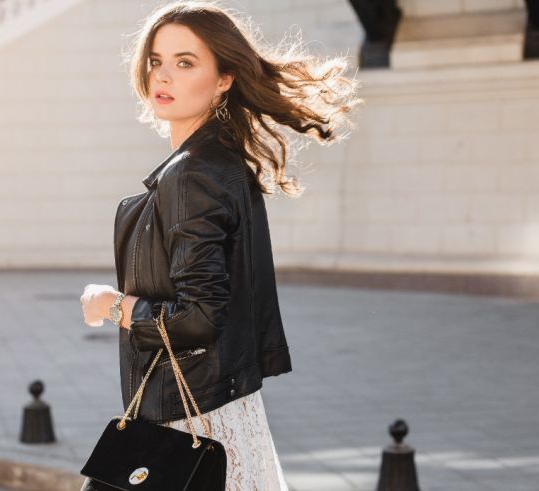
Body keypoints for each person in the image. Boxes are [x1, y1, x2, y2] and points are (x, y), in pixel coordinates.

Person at [79, 1, 362, 489]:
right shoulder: (217, 162)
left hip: (193, 420)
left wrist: (114, 306)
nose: (162, 76)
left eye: (185, 63)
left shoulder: (192, 174)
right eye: (156, 61)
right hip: (222, 410)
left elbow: (200, 316)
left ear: (224, 78)